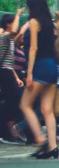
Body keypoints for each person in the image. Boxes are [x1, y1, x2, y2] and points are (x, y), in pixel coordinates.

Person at [19, 0, 59, 159]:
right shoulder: (51, 24)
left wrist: (29, 73)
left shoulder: (34, 22)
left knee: (25, 105)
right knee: (47, 110)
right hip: (52, 66)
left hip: (40, 66)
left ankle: (41, 140)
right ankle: (53, 147)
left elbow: (33, 48)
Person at [0, 9, 24, 142]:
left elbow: (8, 62)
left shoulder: (8, 39)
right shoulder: (4, 37)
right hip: (4, 72)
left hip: (8, 71)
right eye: (14, 21)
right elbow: (15, 32)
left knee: (14, 99)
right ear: (8, 24)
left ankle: (10, 130)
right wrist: (19, 15)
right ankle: (10, 131)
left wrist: (16, 77)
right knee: (13, 99)